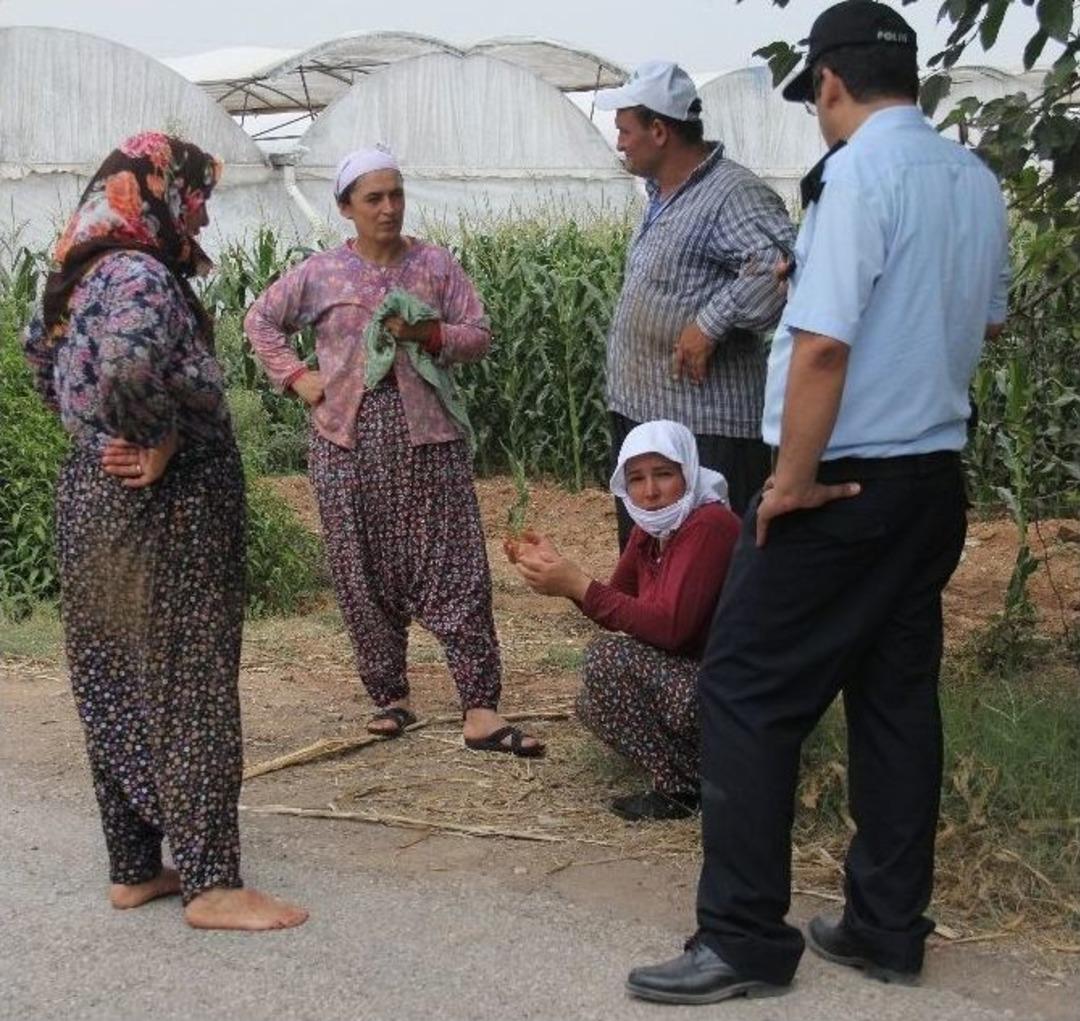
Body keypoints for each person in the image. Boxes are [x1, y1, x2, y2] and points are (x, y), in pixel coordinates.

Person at [626, 1, 1011, 1004]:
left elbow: (827, 347)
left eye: (816, 101)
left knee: (744, 690)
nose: (819, 116)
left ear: (830, 84)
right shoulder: (973, 179)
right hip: (932, 479)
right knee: (893, 698)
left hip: (841, 480)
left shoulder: (857, 177)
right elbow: (987, 321)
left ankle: (744, 938)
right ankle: (886, 925)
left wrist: (790, 481)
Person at [21, 133, 308, 931]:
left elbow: (40, 362)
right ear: (154, 189)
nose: (204, 209)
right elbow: (126, 368)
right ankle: (214, 882)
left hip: (91, 494)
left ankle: (135, 866)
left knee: (113, 674)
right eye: (195, 191)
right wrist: (158, 434)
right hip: (168, 505)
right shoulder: (143, 273)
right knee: (190, 679)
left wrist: (96, 431)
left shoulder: (74, 272)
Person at [245, 145, 543, 757]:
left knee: (455, 564)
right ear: (346, 207)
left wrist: (429, 334)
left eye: (396, 194)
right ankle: (389, 697)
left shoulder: (434, 264)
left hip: (428, 441)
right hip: (345, 442)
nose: (388, 208)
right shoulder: (323, 273)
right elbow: (261, 321)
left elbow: (478, 334)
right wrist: (297, 378)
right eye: (373, 198)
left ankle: (481, 708)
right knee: (360, 569)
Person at [594, 60, 795, 546]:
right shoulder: (665, 193)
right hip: (651, 413)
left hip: (707, 426)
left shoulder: (732, 192)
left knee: (709, 562)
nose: (619, 142)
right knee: (655, 558)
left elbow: (781, 266)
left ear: (659, 130)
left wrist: (709, 323)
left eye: (624, 130)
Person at [513, 421, 740, 820]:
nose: (650, 491)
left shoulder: (708, 524)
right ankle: (694, 781)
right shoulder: (650, 530)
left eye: (664, 474)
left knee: (606, 660)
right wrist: (561, 574)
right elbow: (616, 604)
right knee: (592, 701)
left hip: (732, 688)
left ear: (688, 471)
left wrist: (578, 584)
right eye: (636, 479)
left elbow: (672, 627)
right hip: (695, 677)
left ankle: (703, 783)